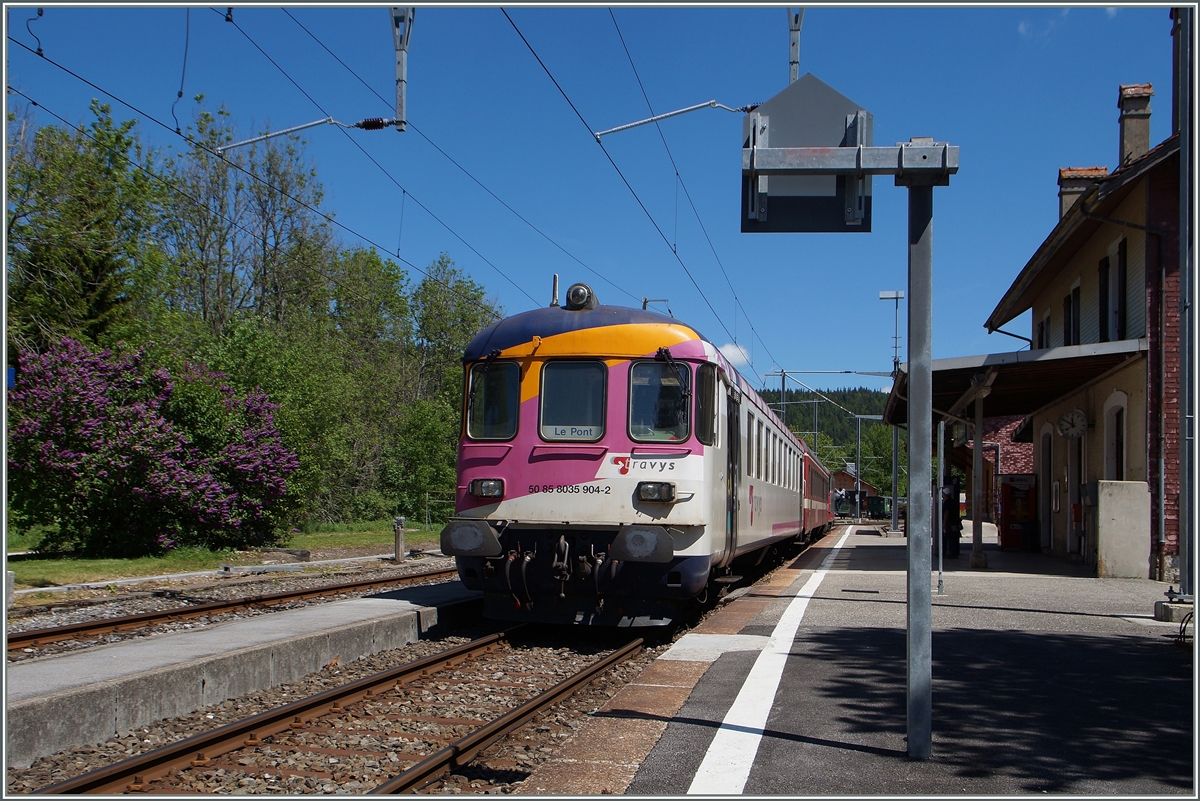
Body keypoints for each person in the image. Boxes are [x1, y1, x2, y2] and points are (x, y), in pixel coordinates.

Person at [942, 480, 962, 557]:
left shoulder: (947, 503)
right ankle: (954, 552)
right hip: (954, 522)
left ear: (945, 494)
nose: (943, 495)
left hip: (949, 523)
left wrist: (944, 522)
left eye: (943, 494)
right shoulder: (953, 501)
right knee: (953, 537)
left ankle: (951, 552)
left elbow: (947, 512)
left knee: (949, 537)